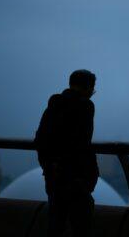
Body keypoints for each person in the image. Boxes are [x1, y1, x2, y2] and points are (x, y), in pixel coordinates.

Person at [34, 69, 99, 237]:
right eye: (92, 89)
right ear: (88, 88)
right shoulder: (86, 106)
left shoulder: (55, 103)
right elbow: (82, 143)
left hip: (53, 175)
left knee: (56, 224)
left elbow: (40, 138)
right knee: (82, 225)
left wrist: (49, 165)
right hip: (75, 177)